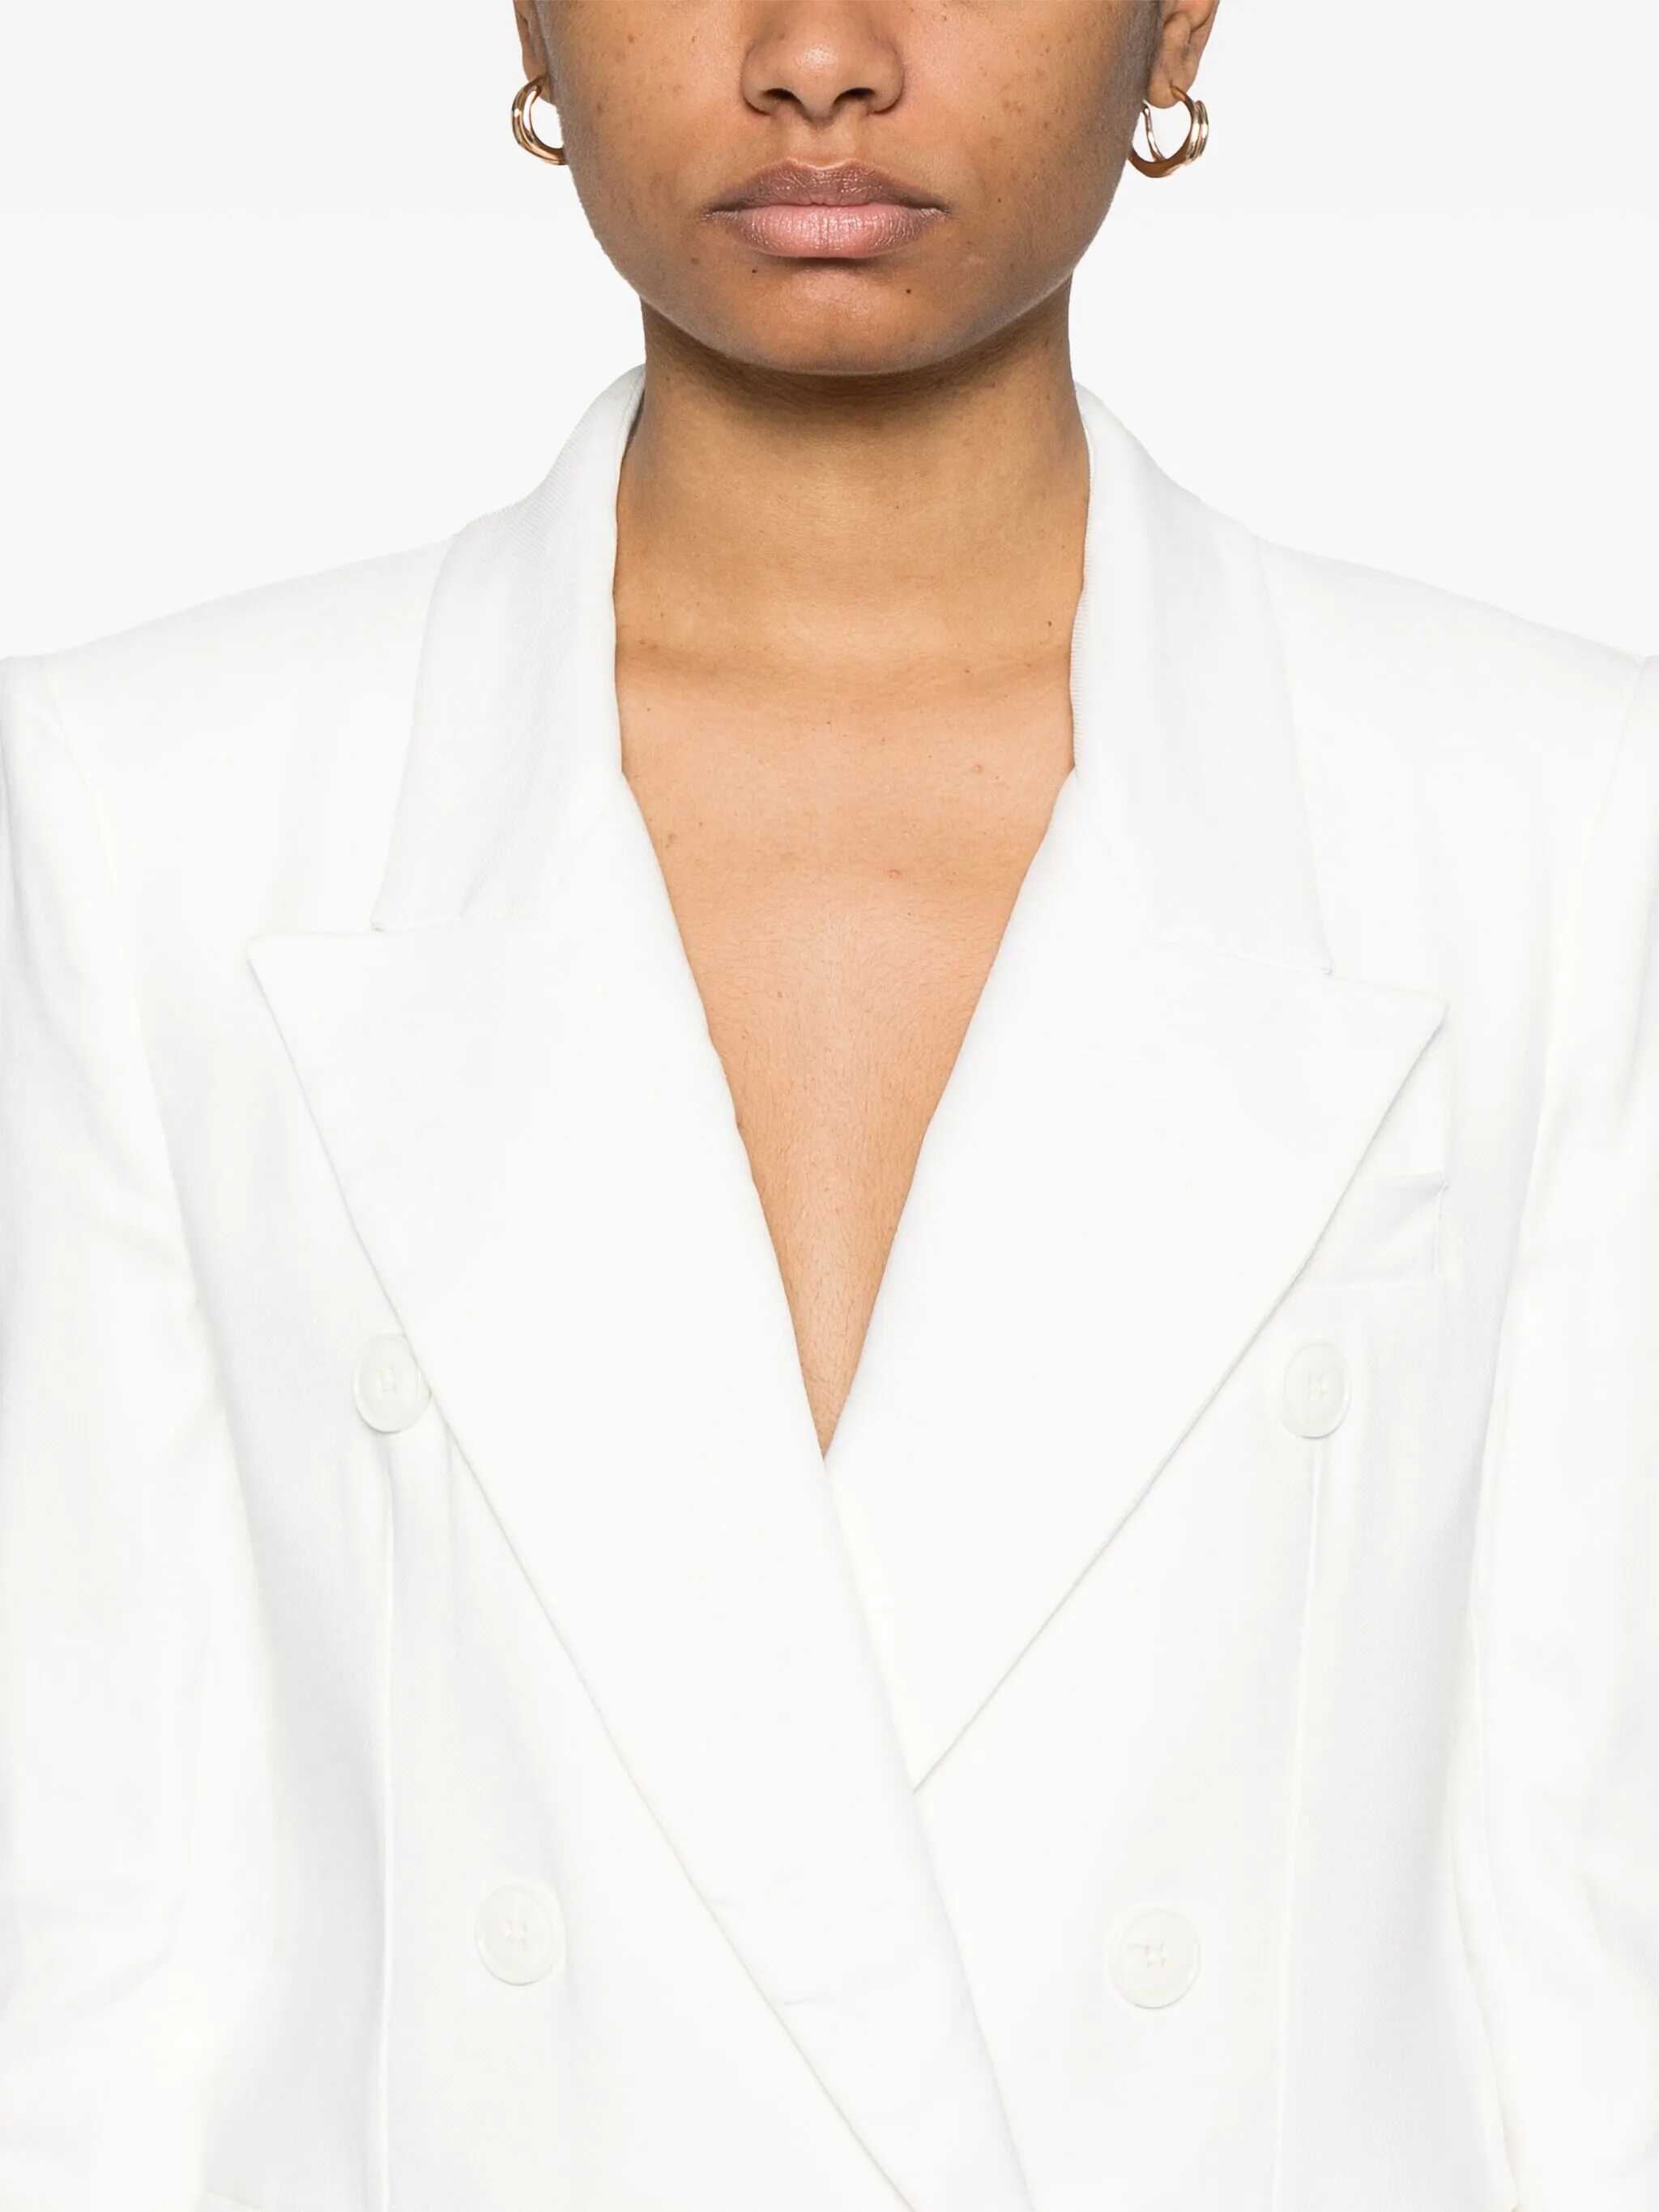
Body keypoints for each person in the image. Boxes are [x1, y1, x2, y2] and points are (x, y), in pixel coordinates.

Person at [1, 0, 1654, 2206]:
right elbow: (102, 1958)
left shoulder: (1552, 827)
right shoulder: (152, 819)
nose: (817, 54)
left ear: (1177, 21)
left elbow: (1587, 1958)